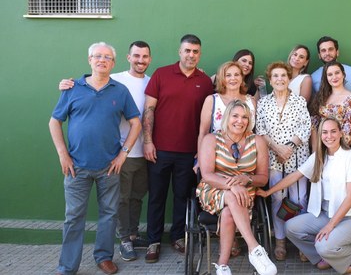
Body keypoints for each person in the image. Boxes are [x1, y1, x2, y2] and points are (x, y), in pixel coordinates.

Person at [49, 42, 142, 275]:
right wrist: (63, 154)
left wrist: (124, 153)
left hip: (108, 167)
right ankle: (68, 266)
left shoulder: (120, 91)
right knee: (73, 217)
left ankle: (104, 257)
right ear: (89, 60)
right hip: (76, 167)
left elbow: (136, 123)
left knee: (109, 216)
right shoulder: (72, 88)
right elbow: (54, 121)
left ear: (113, 63)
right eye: (98, 56)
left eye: (107, 57)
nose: (102, 60)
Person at [257, 117, 351, 274]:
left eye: (333, 131)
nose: (329, 136)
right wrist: (268, 192)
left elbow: (350, 198)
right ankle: (324, 256)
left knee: (324, 245)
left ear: (341, 133)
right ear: (320, 135)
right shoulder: (318, 157)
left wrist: (330, 226)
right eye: (325, 132)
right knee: (291, 227)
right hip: (325, 213)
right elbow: (294, 176)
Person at [143, 34, 213, 263]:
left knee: (183, 197)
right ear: (179, 52)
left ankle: (178, 237)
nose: (191, 55)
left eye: (195, 52)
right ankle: (153, 241)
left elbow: (208, 119)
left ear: (199, 54)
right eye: (187, 51)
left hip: (188, 153)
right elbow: (149, 109)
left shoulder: (205, 81)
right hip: (159, 150)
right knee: (157, 197)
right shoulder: (161, 74)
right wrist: (148, 140)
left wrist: (201, 150)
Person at [197, 100, 277, 275]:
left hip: (245, 194)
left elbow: (263, 178)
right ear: (227, 117)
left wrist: (246, 178)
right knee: (232, 197)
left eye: (245, 117)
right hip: (214, 189)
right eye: (235, 116)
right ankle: (255, 248)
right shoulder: (211, 139)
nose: (240, 121)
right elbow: (207, 175)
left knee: (228, 212)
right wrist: (232, 186)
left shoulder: (257, 141)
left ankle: (222, 265)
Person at [255, 61, 311, 260]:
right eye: (275, 76)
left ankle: (302, 241)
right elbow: (260, 130)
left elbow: (305, 127)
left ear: (289, 79)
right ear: (270, 80)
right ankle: (280, 241)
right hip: (273, 157)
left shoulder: (299, 101)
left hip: (297, 156)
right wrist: (277, 149)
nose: (279, 79)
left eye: (283, 76)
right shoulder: (263, 103)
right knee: (278, 198)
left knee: (300, 199)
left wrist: (289, 147)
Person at [309, 61, 351, 149]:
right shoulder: (321, 97)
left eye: (337, 73)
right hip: (320, 148)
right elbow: (314, 124)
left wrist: (332, 152)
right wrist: (316, 151)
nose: (334, 77)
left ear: (343, 75)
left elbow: (349, 133)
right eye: (330, 74)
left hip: (341, 151)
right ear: (326, 78)